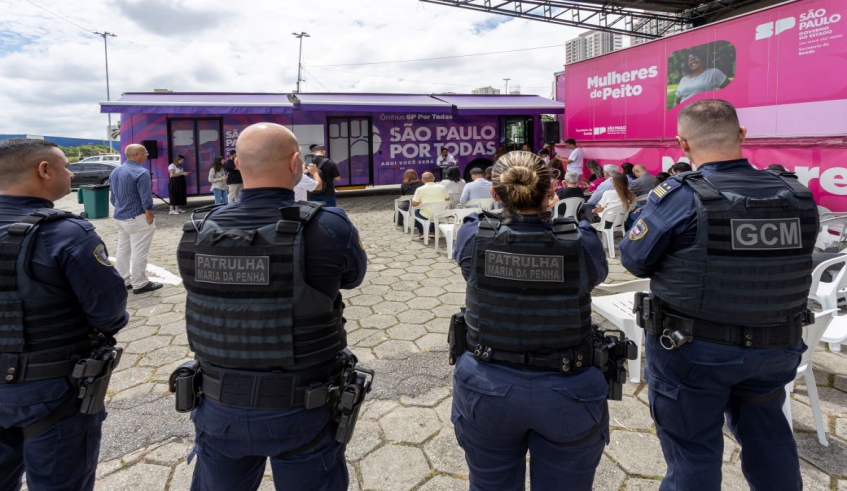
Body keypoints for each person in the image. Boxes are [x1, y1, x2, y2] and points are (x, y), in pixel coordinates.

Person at [619, 100, 818, 491]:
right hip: (776, 347)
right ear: (741, 134)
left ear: (682, 143)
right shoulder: (795, 194)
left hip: (693, 351)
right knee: (770, 439)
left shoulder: (679, 196)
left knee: (692, 452)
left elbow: (634, 260)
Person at [176, 123, 368, 491]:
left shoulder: (196, 229)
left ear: (237, 163)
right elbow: (352, 277)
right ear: (296, 162)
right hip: (303, 407)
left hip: (218, 404)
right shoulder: (328, 226)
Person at [451, 150, 609, 490]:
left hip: (487, 384)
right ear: (551, 191)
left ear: (495, 194)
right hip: (568, 386)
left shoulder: (474, 234)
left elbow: (468, 267)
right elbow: (595, 276)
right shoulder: (581, 240)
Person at [0, 139, 128, 491]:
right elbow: (109, 312)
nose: (71, 174)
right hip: (51, 391)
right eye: (65, 166)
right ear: (44, 170)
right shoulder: (64, 233)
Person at [110, 144, 163, 294]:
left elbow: (113, 197)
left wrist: (121, 208)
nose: (147, 155)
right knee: (139, 251)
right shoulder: (141, 172)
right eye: (144, 152)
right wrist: (149, 215)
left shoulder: (116, 171)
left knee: (123, 249)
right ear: (135, 154)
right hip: (138, 217)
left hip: (120, 216)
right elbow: (146, 198)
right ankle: (140, 283)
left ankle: (123, 280)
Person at [410, 171, 449, 239]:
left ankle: (422, 232)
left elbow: (414, 204)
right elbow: (447, 200)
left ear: (422, 180)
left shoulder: (420, 189)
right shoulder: (442, 187)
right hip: (440, 213)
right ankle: (432, 231)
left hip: (426, 215)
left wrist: (422, 203)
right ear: (434, 178)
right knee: (435, 210)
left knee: (415, 211)